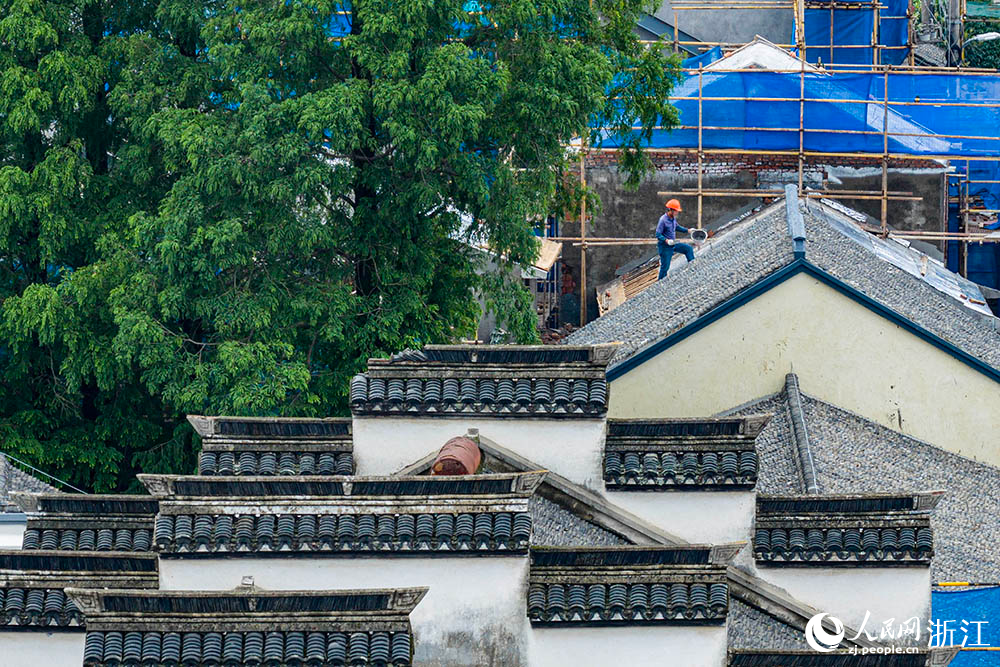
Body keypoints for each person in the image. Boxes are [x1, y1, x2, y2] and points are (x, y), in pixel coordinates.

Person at [656, 199, 695, 280]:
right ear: (671, 210)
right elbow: (658, 234)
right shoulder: (663, 220)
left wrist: (688, 230)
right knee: (665, 267)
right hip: (665, 246)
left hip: (673, 243)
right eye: (676, 211)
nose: (677, 213)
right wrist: (666, 240)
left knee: (688, 249)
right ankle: (659, 284)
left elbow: (677, 227)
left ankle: (693, 268)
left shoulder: (673, 219)